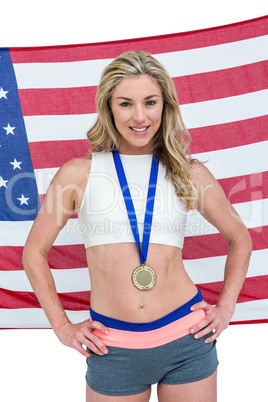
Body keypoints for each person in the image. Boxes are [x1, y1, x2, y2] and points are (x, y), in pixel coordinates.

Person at [23, 50, 252, 401]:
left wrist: (225, 308)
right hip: (112, 349)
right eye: (126, 104)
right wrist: (62, 327)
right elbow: (34, 252)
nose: (140, 116)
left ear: (165, 105)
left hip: (187, 341)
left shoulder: (189, 173)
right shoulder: (77, 174)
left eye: (150, 102)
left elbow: (240, 237)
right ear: (109, 108)